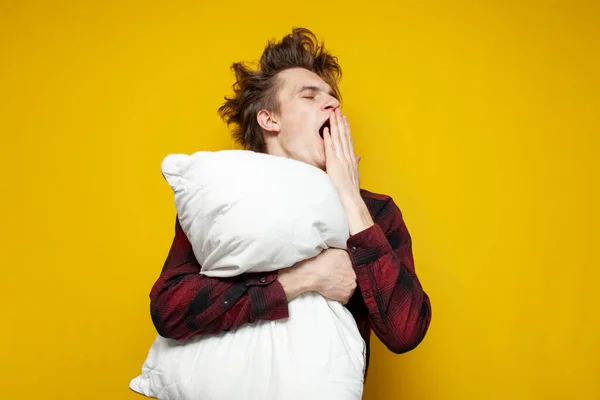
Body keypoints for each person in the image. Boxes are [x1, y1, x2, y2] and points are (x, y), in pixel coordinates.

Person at [149, 27, 432, 378]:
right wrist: (302, 279)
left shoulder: (375, 211)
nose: (332, 103)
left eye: (332, 97)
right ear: (270, 120)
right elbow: (169, 309)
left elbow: (405, 331)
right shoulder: (225, 201)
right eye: (309, 96)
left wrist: (350, 198)